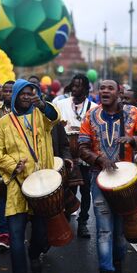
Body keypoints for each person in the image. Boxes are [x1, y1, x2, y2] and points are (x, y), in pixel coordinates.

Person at [78, 79, 137, 273]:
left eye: (110, 88)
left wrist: (132, 140)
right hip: (99, 180)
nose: (105, 91)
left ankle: (118, 262)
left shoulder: (133, 112)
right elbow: (82, 147)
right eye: (102, 88)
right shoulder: (91, 115)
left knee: (120, 232)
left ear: (119, 92)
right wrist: (99, 161)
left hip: (126, 181)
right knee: (104, 230)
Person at [0, 79, 60, 273]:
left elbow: (55, 117)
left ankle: (34, 254)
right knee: (16, 235)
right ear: (15, 96)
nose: (26, 96)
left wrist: (42, 104)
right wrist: (13, 166)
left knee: (41, 234)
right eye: (23, 93)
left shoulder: (41, 116)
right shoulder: (4, 123)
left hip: (42, 185)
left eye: (31, 93)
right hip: (17, 186)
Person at [54, 74, 96, 238]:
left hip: (85, 156)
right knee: (66, 189)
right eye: (73, 85)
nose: (74, 88)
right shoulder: (60, 104)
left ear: (86, 89)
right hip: (66, 156)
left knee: (86, 191)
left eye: (79, 86)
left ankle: (83, 222)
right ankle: (64, 219)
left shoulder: (93, 107)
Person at [0, 80, 15, 250]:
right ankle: (4, 233)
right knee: (4, 196)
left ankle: (17, 231)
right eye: (5, 91)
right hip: (1, 157)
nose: (8, 94)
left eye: (11, 91)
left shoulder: (25, 108)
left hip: (22, 159)